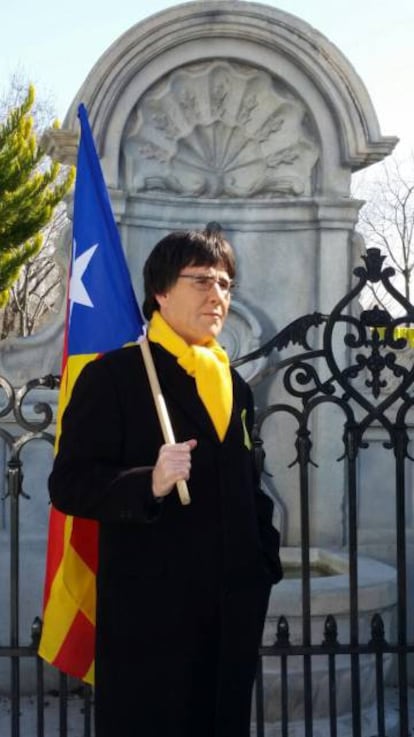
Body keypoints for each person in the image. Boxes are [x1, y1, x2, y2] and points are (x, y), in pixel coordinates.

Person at [49, 227, 283, 737]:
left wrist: (263, 560)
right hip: (151, 625)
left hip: (231, 617)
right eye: (201, 280)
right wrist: (147, 483)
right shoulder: (114, 377)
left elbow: (247, 481)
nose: (217, 295)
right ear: (160, 291)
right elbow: (68, 484)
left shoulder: (234, 385)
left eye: (225, 283)